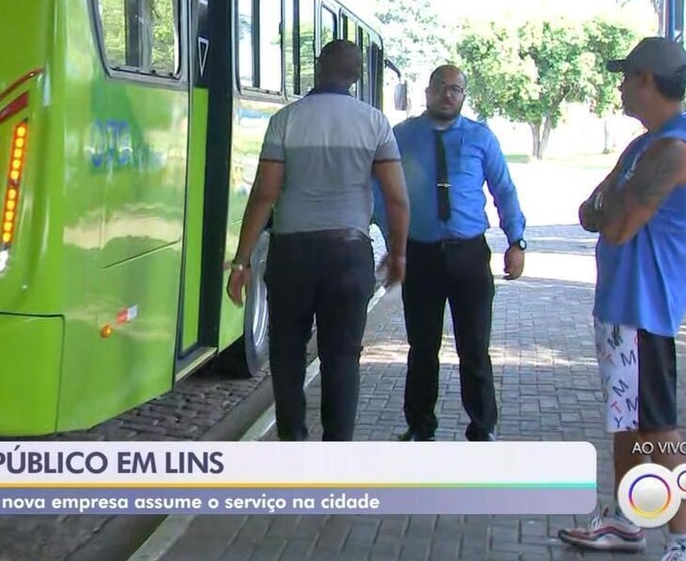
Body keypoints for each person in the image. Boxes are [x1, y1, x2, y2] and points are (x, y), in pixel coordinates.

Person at [558, 37, 686, 561]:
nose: (621, 85)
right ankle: (627, 521)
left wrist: (610, 208)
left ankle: (682, 541)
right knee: (629, 422)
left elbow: (620, 223)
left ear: (648, 80)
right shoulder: (646, 145)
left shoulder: (675, 149)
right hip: (622, 309)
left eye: (627, 76)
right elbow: (590, 211)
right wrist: (608, 208)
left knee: (658, 430)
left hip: (644, 311)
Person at [226, 39, 410, 442]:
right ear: (358, 74)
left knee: (288, 355)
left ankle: (293, 442)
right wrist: (398, 253)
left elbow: (265, 194)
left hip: (292, 254)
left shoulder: (287, 120)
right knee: (342, 357)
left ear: (317, 67)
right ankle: (337, 451)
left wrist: (241, 261)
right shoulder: (375, 123)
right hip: (348, 253)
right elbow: (396, 197)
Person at [373, 64, 527, 443]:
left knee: (474, 348)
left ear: (463, 96)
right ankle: (420, 425)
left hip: (469, 256)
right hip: (420, 256)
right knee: (421, 348)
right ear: (427, 91)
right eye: (440, 86)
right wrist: (394, 242)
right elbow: (380, 192)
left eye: (456, 89)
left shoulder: (480, 138)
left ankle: (483, 426)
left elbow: (503, 190)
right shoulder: (402, 136)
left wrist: (516, 240)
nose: (447, 94)